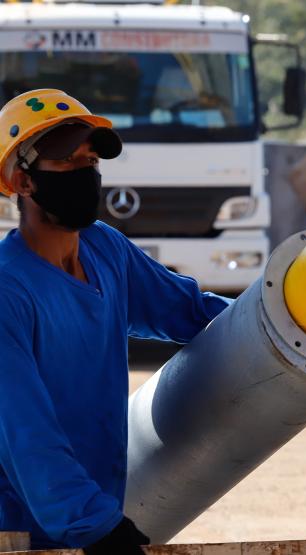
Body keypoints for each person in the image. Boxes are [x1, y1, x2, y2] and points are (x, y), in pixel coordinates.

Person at [0, 89, 230, 553]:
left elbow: (188, 310)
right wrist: (97, 527)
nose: (85, 173)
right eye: (67, 162)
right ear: (23, 182)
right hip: (21, 531)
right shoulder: (9, 290)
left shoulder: (104, 248)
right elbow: (25, 431)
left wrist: (275, 320)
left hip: (89, 517)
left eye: (90, 161)